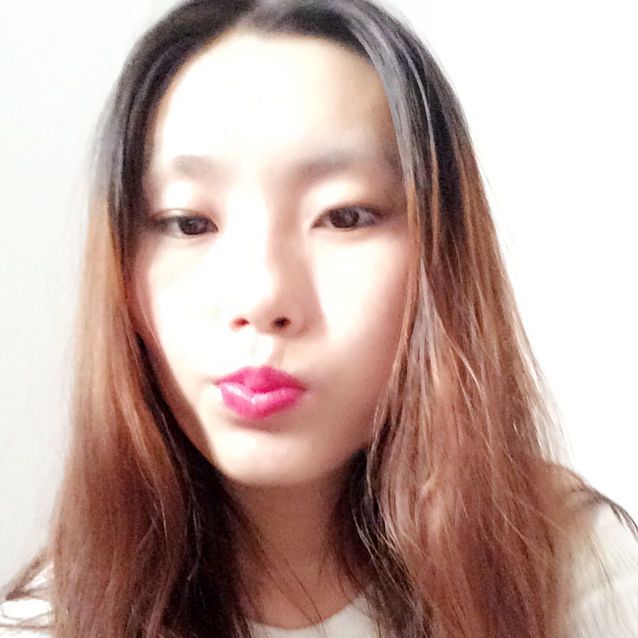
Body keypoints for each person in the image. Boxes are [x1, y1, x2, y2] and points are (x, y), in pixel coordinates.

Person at [1, 0, 637, 636]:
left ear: (439, 257)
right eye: (188, 223)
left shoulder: (573, 573)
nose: (262, 298)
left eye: (344, 217)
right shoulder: (48, 625)